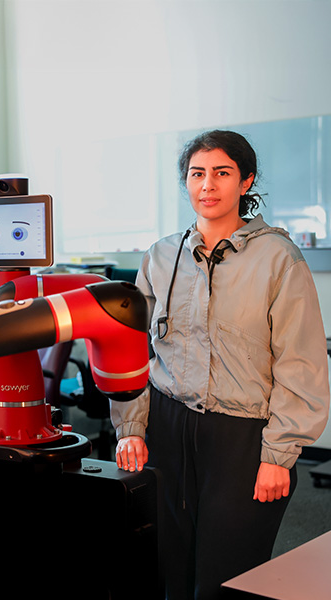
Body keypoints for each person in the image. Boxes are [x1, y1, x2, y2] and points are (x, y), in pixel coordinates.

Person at [111, 130, 330, 600]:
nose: (207, 184)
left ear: (245, 181)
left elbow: (301, 363)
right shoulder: (160, 255)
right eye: (197, 173)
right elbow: (131, 349)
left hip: (243, 436)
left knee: (225, 578)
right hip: (167, 428)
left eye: (222, 173)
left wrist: (278, 455)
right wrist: (130, 425)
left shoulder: (279, 259)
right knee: (169, 568)